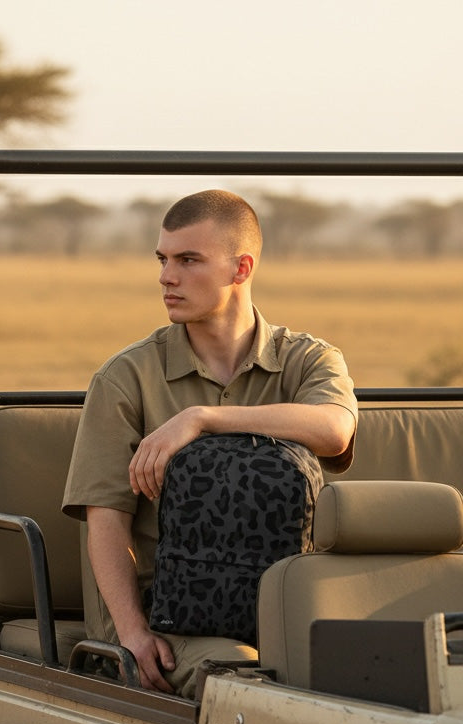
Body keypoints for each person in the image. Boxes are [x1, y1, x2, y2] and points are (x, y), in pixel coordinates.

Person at [62, 189, 357, 695]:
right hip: (166, 612)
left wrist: (204, 419)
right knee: (244, 681)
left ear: (240, 269)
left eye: (188, 260)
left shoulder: (308, 359)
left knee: (375, 676)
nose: (166, 277)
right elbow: (105, 521)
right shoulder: (126, 376)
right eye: (163, 259)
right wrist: (132, 633)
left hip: (284, 601)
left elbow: (333, 431)